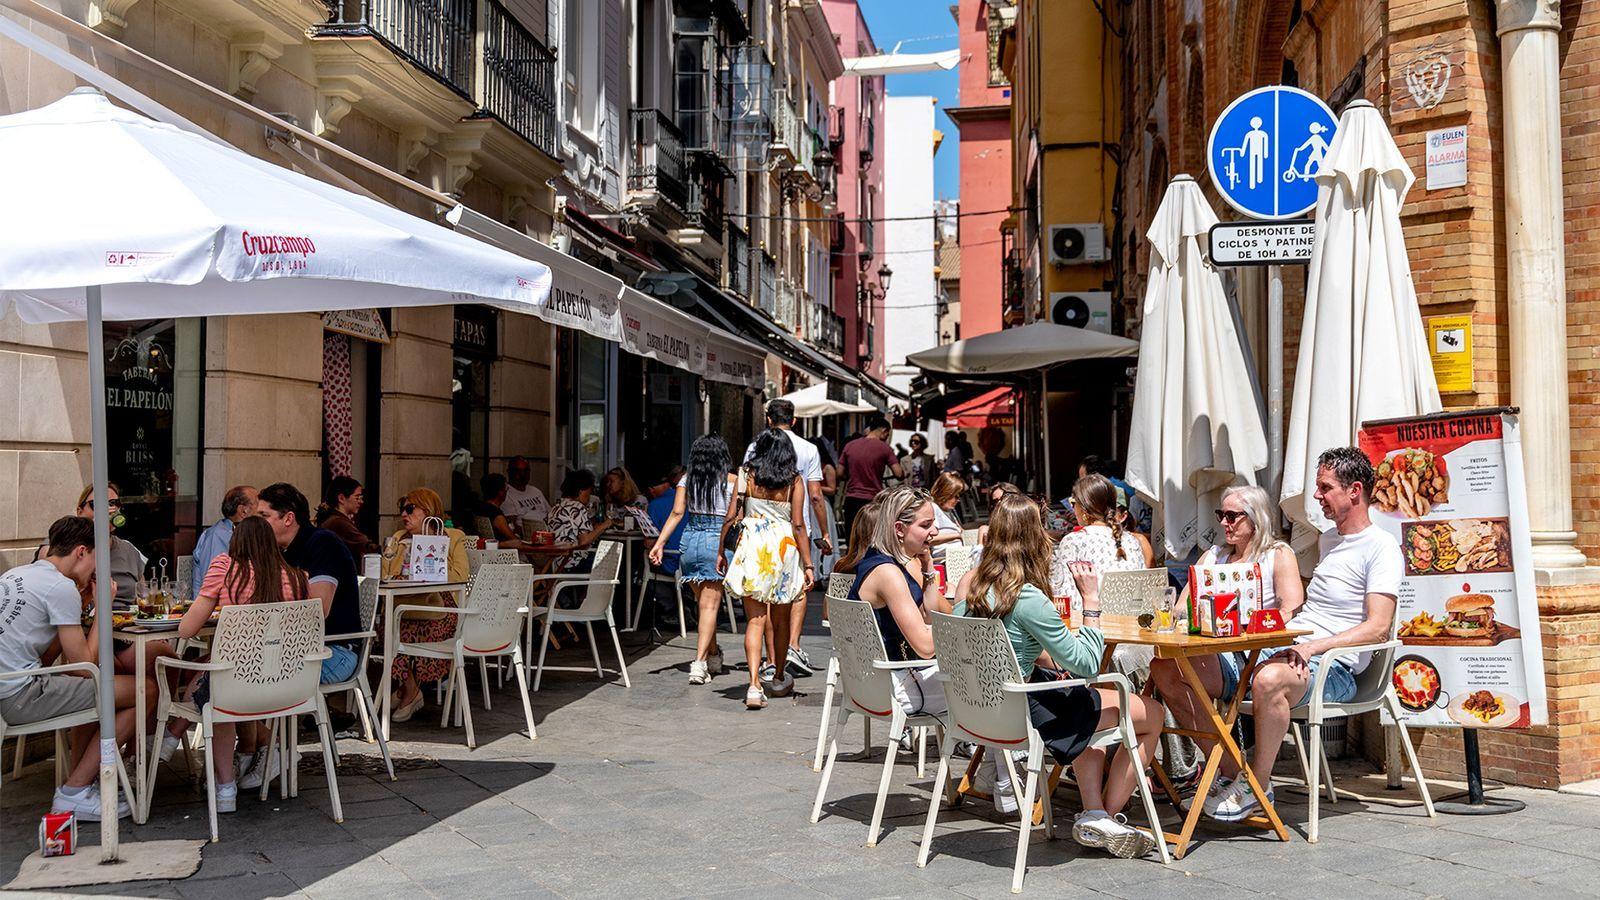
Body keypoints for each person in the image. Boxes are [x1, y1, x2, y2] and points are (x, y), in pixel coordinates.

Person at [1154, 447, 1400, 824]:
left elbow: (1378, 626)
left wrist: (1312, 644)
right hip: (1283, 654)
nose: (1317, 496)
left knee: (1269, 679)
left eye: (1324, 487)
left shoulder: (1381, 547)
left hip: (1333, 669)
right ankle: (1229, 772)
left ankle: (1258, 785)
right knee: (1167, 669)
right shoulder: (1330, 540)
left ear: (1354, 490)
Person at [953, 493, 1164, 857]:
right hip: (1027, 714)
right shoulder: (1028, 597)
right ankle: (1106, 818)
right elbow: (1087, 663)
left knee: (1089, 721)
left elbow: (1001, 647)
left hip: (984, 712)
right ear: (1035, 537)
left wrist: (1044, 660)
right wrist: (1092, 602)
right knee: (1152, 714)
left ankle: (1095, 811)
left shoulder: (972, 588)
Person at [161, 516, 309, 812]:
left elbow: (186, 630)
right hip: (287, 687)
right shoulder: (298, 577)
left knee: (220, 691)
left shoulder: (225, 569)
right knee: (213, 667)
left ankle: (224, 785)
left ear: (236, 542)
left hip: (238, 687)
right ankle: (171, 739)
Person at [2, 516, 141, 820]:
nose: (95, 570)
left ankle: (82, 781)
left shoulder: (16, 575)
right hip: (21, 695)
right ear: (81, 552)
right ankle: (74, 792)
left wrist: (81, 604)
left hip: (10, 687)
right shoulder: (59, 586)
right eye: (95, 560)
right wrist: (103, 605)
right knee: (144, 690)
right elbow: (83, 666)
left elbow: (47, 657)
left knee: (101, 692)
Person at [719, 428, 814, 708]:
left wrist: (719, 551)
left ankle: (753, 685)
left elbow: (732, 515)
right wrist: (808, 564)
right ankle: (779, 676)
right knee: (782, 618)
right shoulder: (794, 480)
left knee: (755, 620)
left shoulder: (746, 475)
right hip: (784, 548)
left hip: (753, 547)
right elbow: (798, 524)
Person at [742, 400, 831, 679]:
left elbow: (741, 494)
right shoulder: (808, 450)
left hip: (756, 538)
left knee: (760, 607)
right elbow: (815, 496)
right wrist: (824, 531)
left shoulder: (754, 448)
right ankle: (791, 646)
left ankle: (768, 664)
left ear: (768, 419)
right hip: (792, 533)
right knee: (795, 592)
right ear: (794, 420)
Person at [847, 485, 950, 718]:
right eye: (925, 525)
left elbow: (928, 617)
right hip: (895, 686)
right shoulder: (888, 573)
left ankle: (972, 743)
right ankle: (998, 749)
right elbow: (924, 648)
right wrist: (963, 631)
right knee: (990, 686)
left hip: (874, 682)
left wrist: (928, 569)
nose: (934, 531)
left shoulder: (879, 560)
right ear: (899, 529)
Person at [256, 483, 362, 697]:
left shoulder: (322, 544)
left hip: (334, 651)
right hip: (292, 647)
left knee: (247, 673)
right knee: (227, 667)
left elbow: (318, 610)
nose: (258, 524)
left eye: (264, 516)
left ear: (288, 518)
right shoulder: (279, 550)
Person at [379, 488, 471, 722]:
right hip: (407, 604)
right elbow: (386, 573)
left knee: (406, 628)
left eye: (410, 509)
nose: (403, 515)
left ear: (428, 511)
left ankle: (407, 690)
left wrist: (431, 567)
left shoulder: (452, 537)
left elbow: (461, 575)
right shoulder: (399, 539)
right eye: (403, 509)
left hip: (442, 607)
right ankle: (410, 689)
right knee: (390, 625)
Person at [650, 437, 737, 685]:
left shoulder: (687, 480)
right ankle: (699, 664)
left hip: (690, 542)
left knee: (703, 604)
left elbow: (677, 513)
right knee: (709, 607)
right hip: (715, 542)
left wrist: (660, 543)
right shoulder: (732, 482)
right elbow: (733, 518)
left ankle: (713, 653)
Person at [1049, 475, 1147, 615]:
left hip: (1091, 626)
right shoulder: (1131, 541)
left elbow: (1065, 598)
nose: (1072, 508)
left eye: (1073, 502)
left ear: (1083, 509)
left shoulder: (1074, 541)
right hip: (1130, 625)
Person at [840, 414, 905, 538]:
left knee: (852, 539)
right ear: (884, 431)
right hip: (873, 499)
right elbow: (898, 473)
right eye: (887, 435)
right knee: (872, 538)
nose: (886, 438)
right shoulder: (885, 448)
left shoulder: (850, 446)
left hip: (852, 499)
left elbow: (839, 473)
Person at [548, 469, 623, 573]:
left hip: (556, 562)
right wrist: (606, 524)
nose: (590, 497)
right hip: (573, 563)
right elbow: (584, 541)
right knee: (618, 560)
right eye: (589, 491)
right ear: (581, 491)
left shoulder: (556, 507)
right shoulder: (577, 507)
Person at [191, 485, 259, 581]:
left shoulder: (246, 534)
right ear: (243, 511)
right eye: (258, 502)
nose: (262, 509)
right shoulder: (217, 536)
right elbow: (213, 583)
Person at [314, 476, 375, 567]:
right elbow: (367, 546)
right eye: (357, 497)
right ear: (341, 498)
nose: (361, 501)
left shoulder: (334, 519)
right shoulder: (338, 523)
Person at [477, 473, 534, 552]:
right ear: (501, 492)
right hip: (502, 554)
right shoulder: (496, 515)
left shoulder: (481, 509)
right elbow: (512, 538)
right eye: (506, 488)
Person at [810, 435, 841, 580]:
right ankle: (814, 571)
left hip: (822, 503)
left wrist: (815, 487)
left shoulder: (827, 467)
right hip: (810, 504)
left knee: (822, 535)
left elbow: (832, 489)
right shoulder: (811, 467)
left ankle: (825, 569)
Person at [645, 469, 683, 577]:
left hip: (669, 561)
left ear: (652, 489)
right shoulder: (686, 500)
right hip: (690, 560)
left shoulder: (655, 505)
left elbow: (649, 542)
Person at [603, 467, 657, 537]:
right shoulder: (611, 503)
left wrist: (613, 523)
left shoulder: (639, 500)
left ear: (623, 482)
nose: (608, 484)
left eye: (611, 481)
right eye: (607, 482)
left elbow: (635, 523)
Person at [502, 455, 551, 529]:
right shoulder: (505, 494)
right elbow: (512, 526)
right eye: (518, 471)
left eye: (526, 470)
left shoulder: (536, 491)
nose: (523, 474)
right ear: (509, 472)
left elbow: (550, 513)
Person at [928, 472, 966, 551]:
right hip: (946, 557)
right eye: (956, 496)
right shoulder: (934, 508)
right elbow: (929, 539)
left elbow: (962, 532)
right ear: (946, 493)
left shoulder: (949, 511)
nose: (958, 500)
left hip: (959, 552)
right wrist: (956, 536)